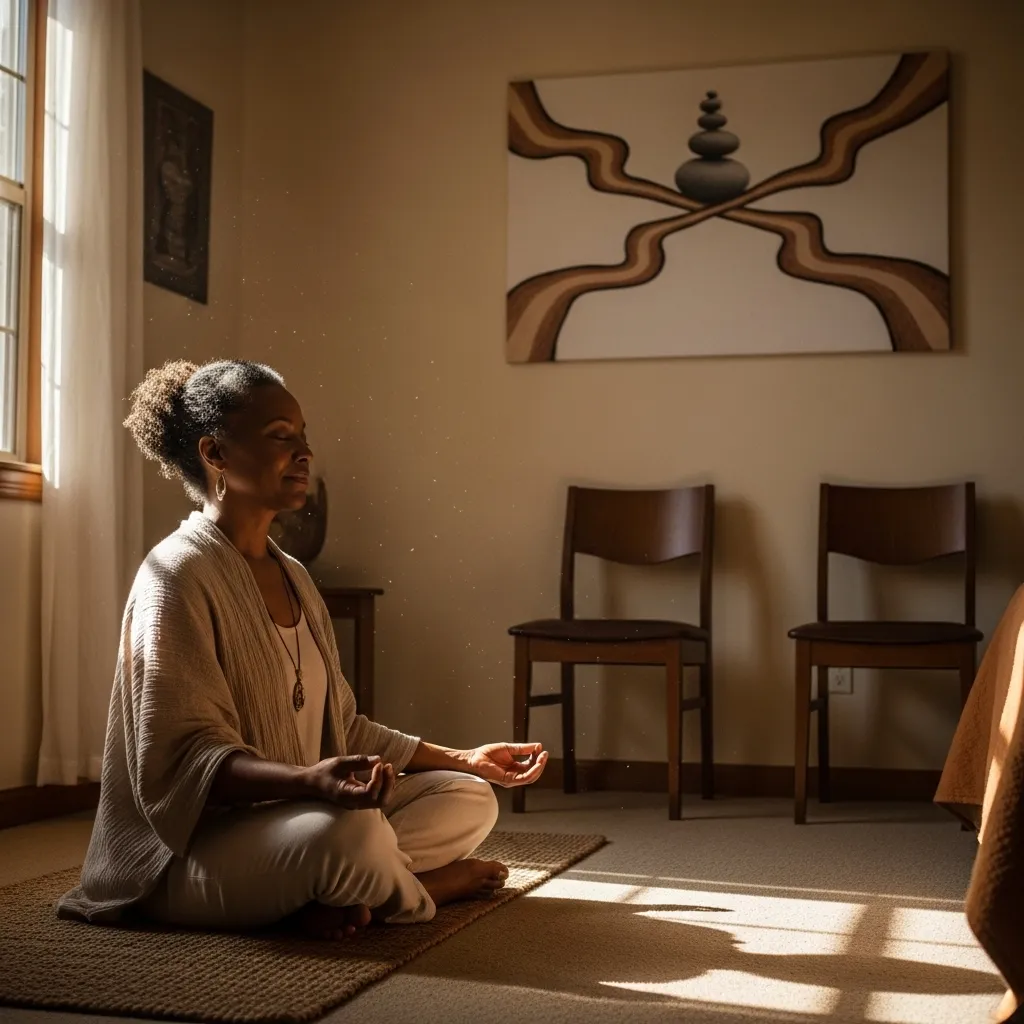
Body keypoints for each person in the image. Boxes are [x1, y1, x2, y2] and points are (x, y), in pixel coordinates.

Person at [57, 359, 548, 939]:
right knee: (349, 833)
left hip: (289, 823)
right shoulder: (176, 576)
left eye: (303, 436)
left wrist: (465, 759)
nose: (304, 453)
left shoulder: (295, 577)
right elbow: (186, 762)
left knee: (469, 797)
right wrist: (309, 782)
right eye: (280, 436)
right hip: (184, 856)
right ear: (215, 453)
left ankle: (345, 889)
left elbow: (344, 726)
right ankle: (418, 890)